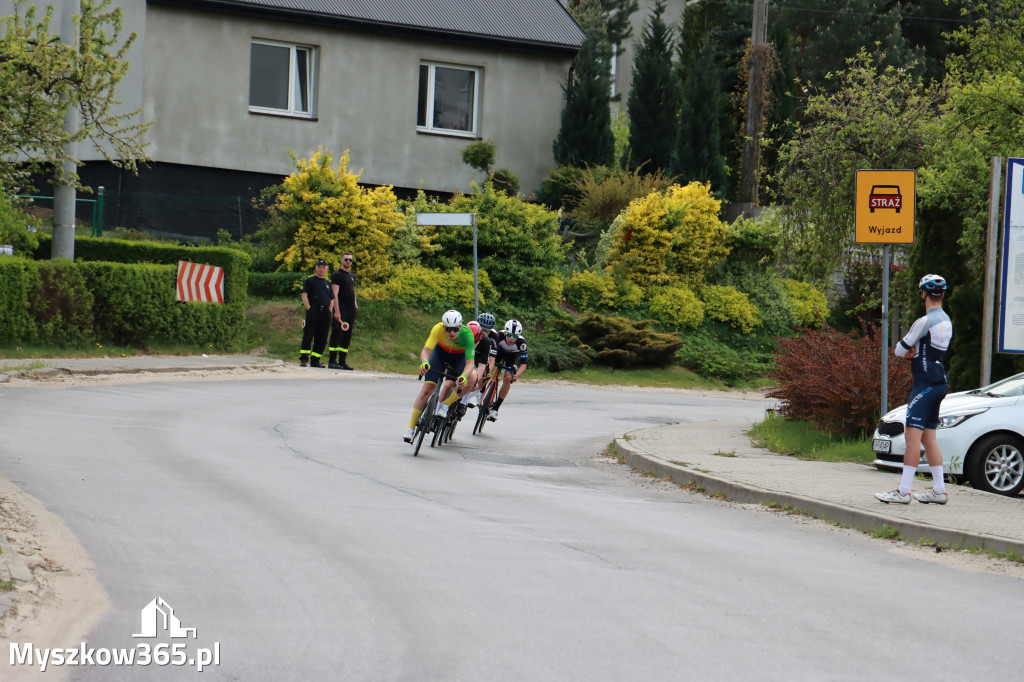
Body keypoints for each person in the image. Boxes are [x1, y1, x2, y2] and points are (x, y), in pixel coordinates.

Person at [875, 274, 953, 505]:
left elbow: (900, 350)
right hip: (939, 382)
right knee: (929, 438)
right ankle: (939, 491)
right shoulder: (947, 320)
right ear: (943, 294)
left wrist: (912, 351)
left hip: (925, 384)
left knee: (912, 437)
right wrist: (917, 350)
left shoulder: (925, 321)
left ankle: (903, 492)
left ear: (924, 294)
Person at [404, 310, 476, 442]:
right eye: (448, 329)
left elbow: (470, 363)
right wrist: (424, 362)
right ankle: (411, 427)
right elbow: (426, 351)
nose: (452, 333)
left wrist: (464, 376)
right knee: (427, 389)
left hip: (459, 359)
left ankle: (446, 404)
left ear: (460, 326)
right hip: (440, 355)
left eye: (455, 329)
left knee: (472, 377)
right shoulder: (437, 329)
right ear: (444, 327)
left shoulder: (467, 335)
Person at [487, 318, 528, 421]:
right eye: (509, 335)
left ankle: (495, 408)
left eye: (514, 336)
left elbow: (523, 365)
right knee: (488, 368)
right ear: (505, 333)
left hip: (513, 357)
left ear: (518, 336)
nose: (511, 338)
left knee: (508, 378)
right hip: (500, 352)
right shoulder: (499, 336)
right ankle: (482, 391)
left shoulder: (522, 343)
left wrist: (517, 375)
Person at [299, 258, 336, 368]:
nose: (321, 268)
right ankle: (304, 359)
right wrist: (309, 308)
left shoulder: (328, 284)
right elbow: (304, 295)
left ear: (326, 269)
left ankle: (315, 360)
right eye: (319, 266)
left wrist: (330, 310)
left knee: (322, 337)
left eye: (324, 267)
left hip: (325, 313)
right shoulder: (310, 281)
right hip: (313, 311)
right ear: (316, 267)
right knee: (308, 335)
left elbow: (332, 298)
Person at [459, 320, 496, 416]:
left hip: (479, 360)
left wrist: (475, 382)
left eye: (475, 341)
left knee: (476, 377)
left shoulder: (486, 341)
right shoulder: (461, 334)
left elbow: (485, 364)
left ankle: (465, 401)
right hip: (465, 356)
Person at [328, 252, 358, 370]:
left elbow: (353, 291)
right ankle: (332, 361)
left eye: (350, 260)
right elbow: (334, 294)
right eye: (346, 259)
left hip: (351, 309)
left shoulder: (352, 276)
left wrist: (355, 305)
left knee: (347, 335)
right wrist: (337, 311)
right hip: (341, 309)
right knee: (337, 334)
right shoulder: (337, 275)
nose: (348, 262)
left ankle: (342, 361)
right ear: (342, 260)